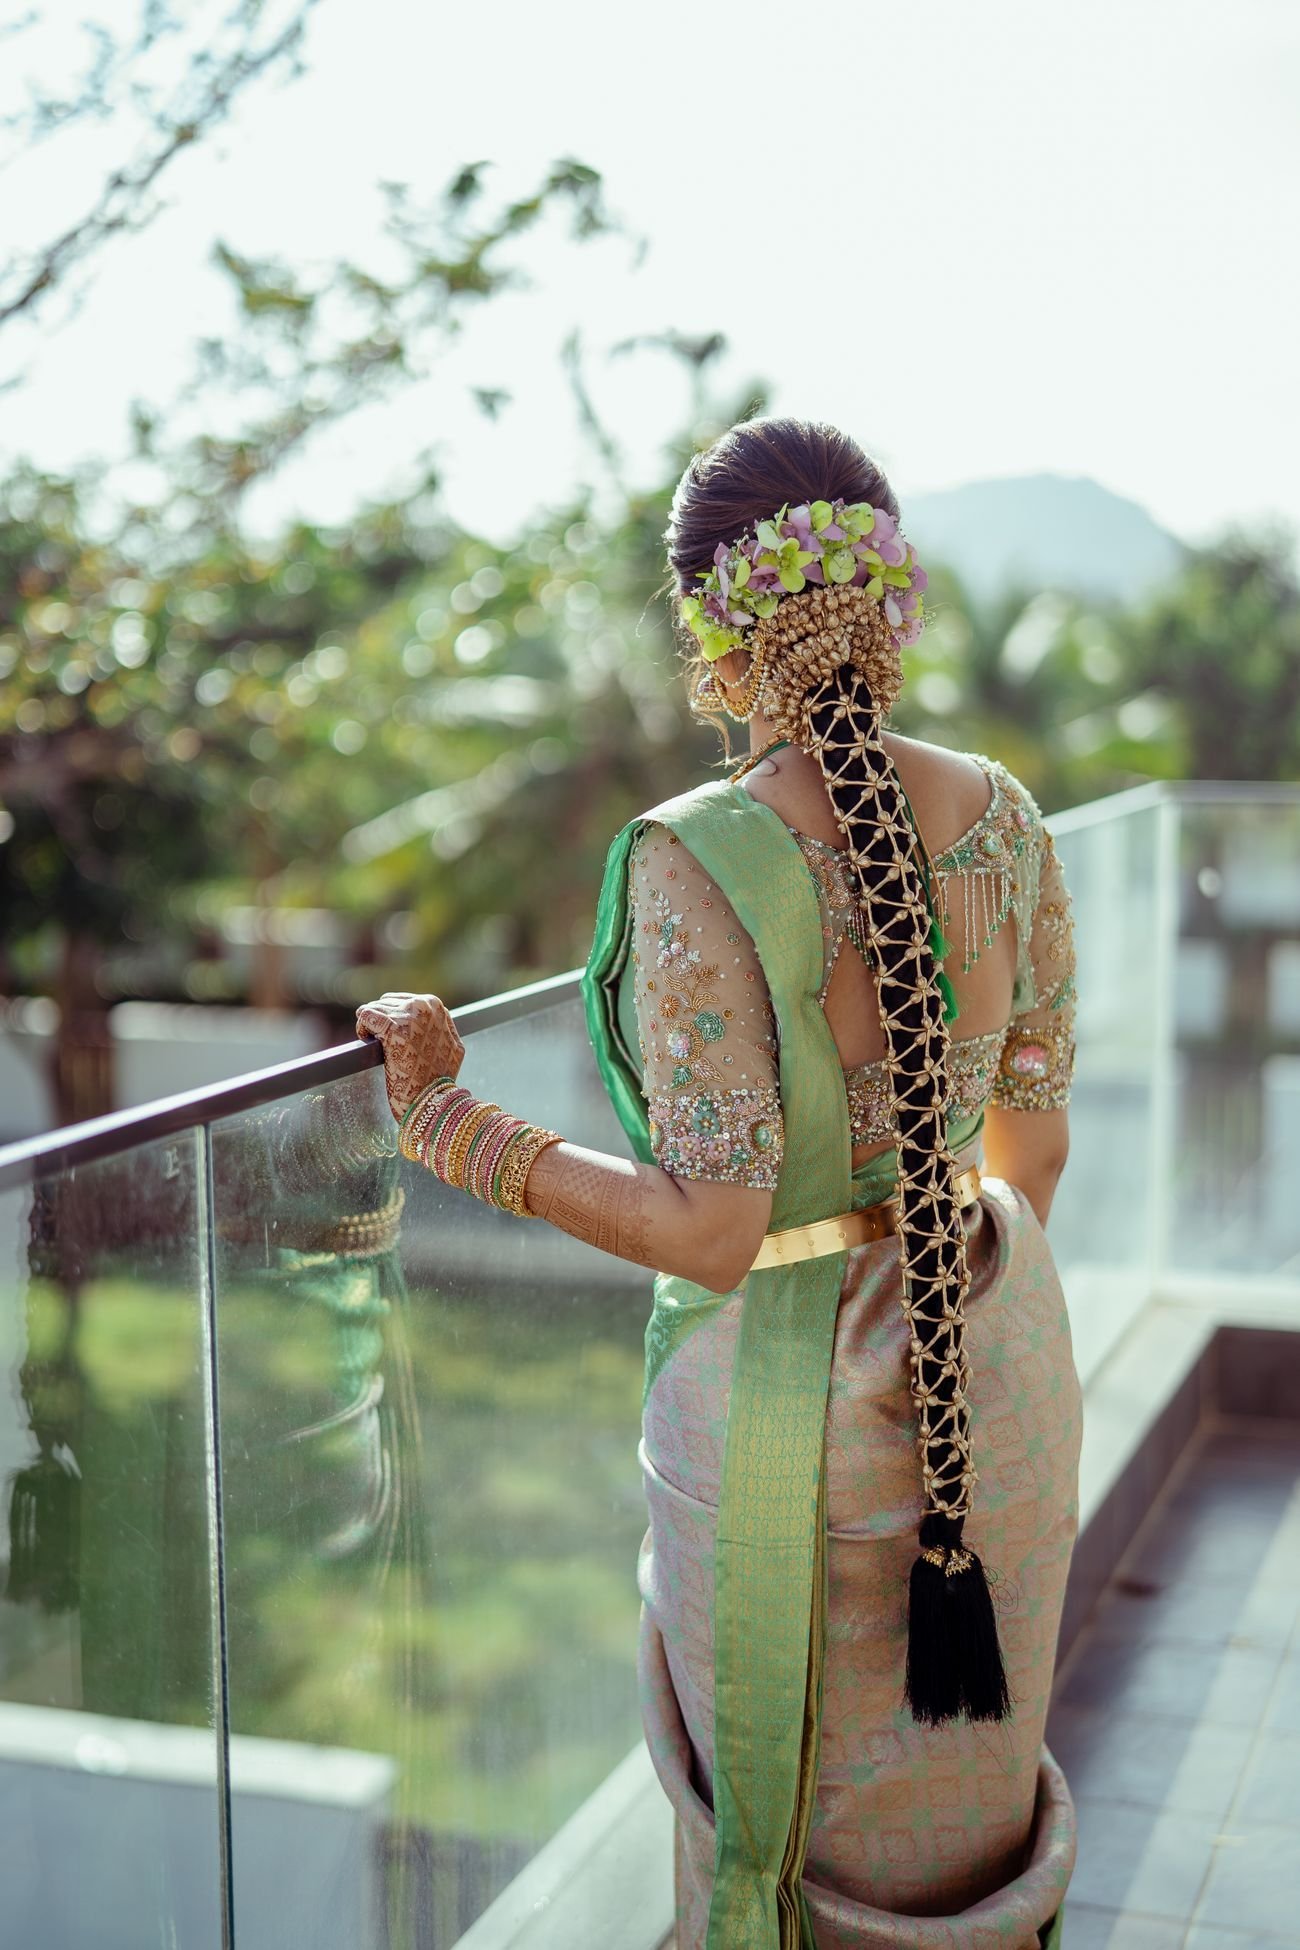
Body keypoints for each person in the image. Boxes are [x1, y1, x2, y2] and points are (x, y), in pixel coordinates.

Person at [356, 416, 1083, 1950]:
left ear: (713, 628)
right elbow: (1034, 1144)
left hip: (786, 1425)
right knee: (970, 1805)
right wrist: (946, 1306)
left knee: (779, 1843)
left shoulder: (697, 857)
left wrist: (453, 1130)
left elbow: (716, 1229)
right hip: (1004, 1367)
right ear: (895, 595)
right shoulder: (1007, 816)